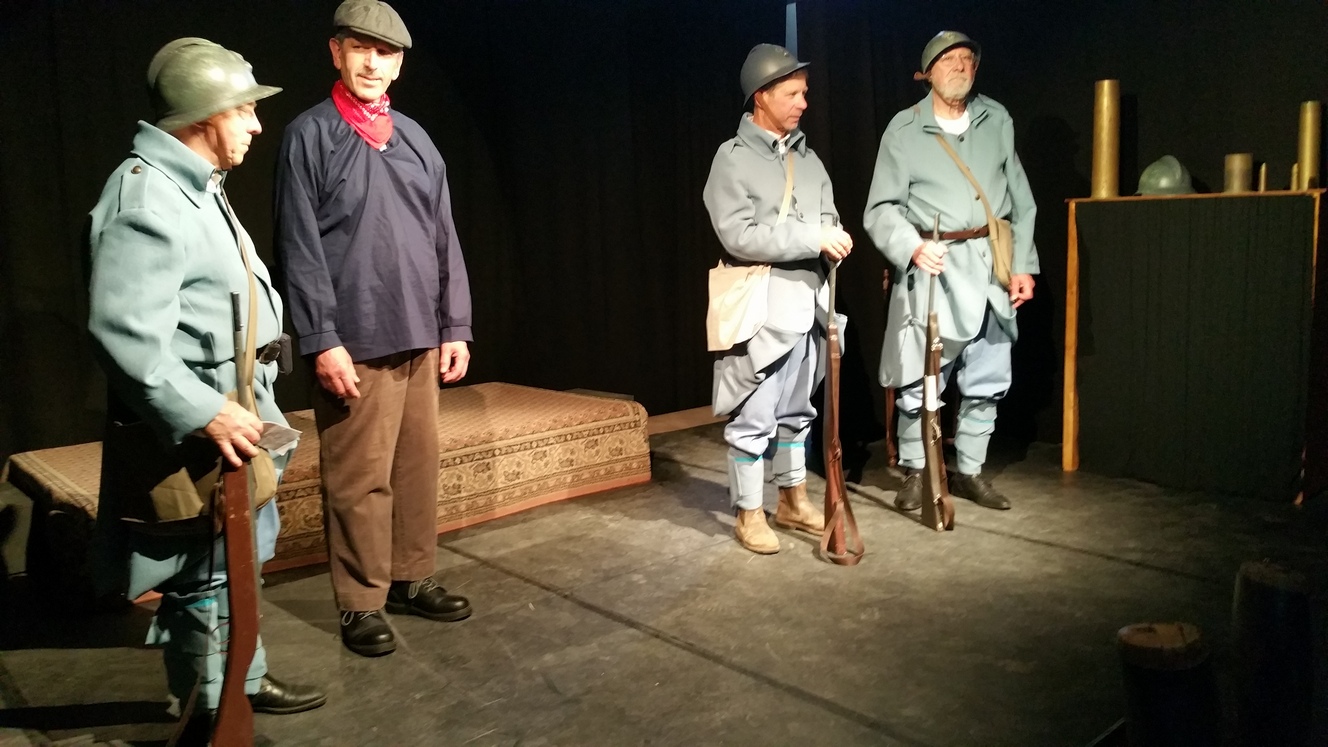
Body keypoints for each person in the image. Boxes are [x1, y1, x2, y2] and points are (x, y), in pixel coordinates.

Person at [87, 37, 326, 726]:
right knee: (200, 574)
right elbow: (127, 336)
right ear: (202, 114)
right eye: (243, 109)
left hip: (234, 415)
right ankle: (213, 717)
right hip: (199, 429)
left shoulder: (193, 187)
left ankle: (241, 679)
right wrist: (204, 412)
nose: (256, 124)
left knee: (231, 561)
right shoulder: (148, 201)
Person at [275, 0, 474, 657]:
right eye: (359, 48)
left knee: (416, 466)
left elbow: (444, 235)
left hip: (420, 330)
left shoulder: (415, 138)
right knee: (359, 476)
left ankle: (412, 576)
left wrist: (455, 325)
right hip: (354, 337)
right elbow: (299, 245)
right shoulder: (311, 135)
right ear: (336, 52)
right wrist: (320, 337)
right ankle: (361, 600)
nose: (371, 62)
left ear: (399, 65)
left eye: (384, 52)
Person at [863, 31, 1039, 512]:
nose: (960, 67)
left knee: (988, 374)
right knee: (921, 379)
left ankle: (970, 471)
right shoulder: (904, 130)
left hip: (990, 266)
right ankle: (917, 471)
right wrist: (912, 247)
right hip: (934, 269)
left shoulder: (996, 119)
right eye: (949, 60)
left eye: (967, 59)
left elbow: (1021, 200)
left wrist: (1023, 266)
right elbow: (880, 209)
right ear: (928, 73)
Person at [703, 44, 853, 554]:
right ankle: (749, 512)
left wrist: (834, 236)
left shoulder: (809, 160)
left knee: (797, 412)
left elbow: (828, 216)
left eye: (804, 93)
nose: (803, 103)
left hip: (809, 304)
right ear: (761, 96)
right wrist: (812, 237)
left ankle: (792, 500)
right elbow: (738, 235)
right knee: (754, 416)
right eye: (792, 93)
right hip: (762, 311)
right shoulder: (732, 158)